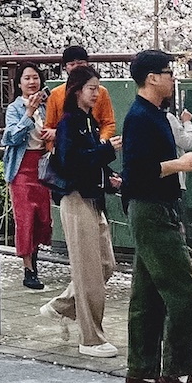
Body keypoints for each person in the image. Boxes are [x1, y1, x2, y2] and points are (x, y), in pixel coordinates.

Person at [121, 49, 192, 383]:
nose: (173, 77)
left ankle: (140, 373)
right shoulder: (141, 117)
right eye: (168, 72)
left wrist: (179, 163)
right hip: (152, 209)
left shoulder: (153, 113)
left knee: (147, 297)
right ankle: (177, 373)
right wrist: (179, 164)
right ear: (151, 78)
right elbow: (137, 172)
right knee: (187, 294)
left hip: (154, 209)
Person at [42, 63, 122, 358]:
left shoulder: (88, 122)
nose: (96, 93)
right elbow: (69, 162)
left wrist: (109, 176)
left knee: (104, 264)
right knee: (89, 271)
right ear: (77, 91)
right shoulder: (69, 123)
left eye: (98, 88)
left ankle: (63, 305)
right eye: (91, 88)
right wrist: (105, 151)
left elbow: (89, 160)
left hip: (91, 197)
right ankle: (91, 338)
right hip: (76, 199)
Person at [3, 64, 54, 290]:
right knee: (26, 219)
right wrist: (28, 114)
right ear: (19, 83)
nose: (32, 82)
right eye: (27, 78)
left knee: (43, 219)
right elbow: (10, 138)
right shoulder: (14, 108)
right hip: (22, 169)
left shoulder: (47, 105)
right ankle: (29, 269)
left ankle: (34, 259)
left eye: (35, 78)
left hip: (43, 167)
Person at [46, 45, 116, 139]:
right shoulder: (55, 94)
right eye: (72, 64)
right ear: (65, 67)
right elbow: (48, 127)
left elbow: (108, 123)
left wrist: (101, 141)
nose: (76, 67)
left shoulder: (101, 92)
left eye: (80, 63)